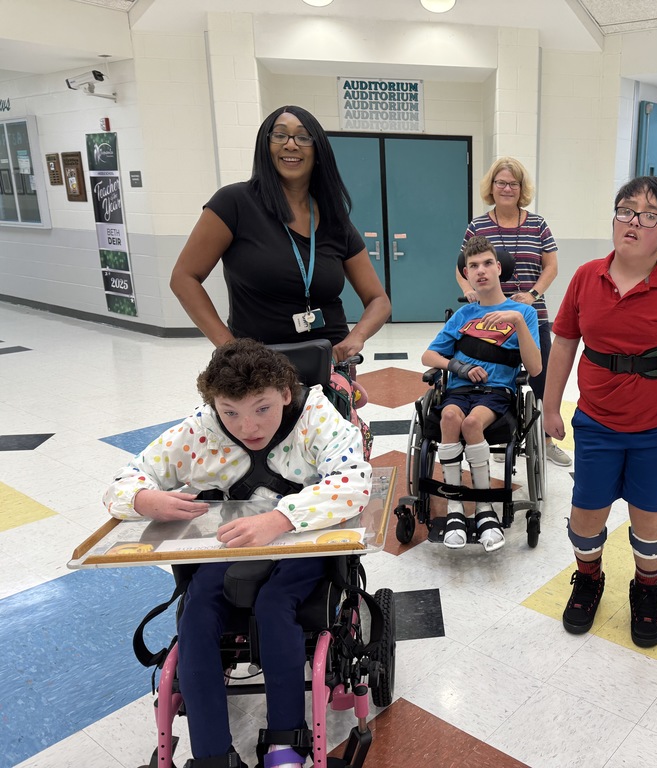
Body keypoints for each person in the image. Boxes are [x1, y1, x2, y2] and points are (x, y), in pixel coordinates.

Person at [104, 339, 372, 768]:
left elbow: (355, 481)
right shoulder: (202, 428)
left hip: (304, 542)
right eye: (231, 412)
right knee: (196, 611)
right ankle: (213, 756)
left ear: (285, 393)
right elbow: (125, 478)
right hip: (234, 542)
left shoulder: (315, 415)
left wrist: (281, 518)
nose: (248, 426)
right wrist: (143, 499)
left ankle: (285, 745)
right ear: (214, 404)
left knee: (274, 605)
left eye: (262, 408)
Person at [543, 176, 657, 649]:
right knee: (585, 514)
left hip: (656, 428)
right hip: (596, 423)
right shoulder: (586, 276)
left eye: (649, 215)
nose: (632, 222)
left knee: (649, 517)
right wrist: (550, 405)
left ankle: (646, 587)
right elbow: (564, 343)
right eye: (626, 210)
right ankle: (589, 578)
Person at [170, 105, 391, 364]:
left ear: (318, 150)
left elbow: (378, 300)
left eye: (303, 137)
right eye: (280, 135)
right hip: (258, 368)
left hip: (328, 365)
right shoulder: (234, 203)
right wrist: (230, 349)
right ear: (265, 146)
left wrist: (356, 337)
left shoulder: (334, 220)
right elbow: (184, 278)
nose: (291, 144)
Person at [424, 236, 541, 552]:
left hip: (497, 391)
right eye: (473, 266)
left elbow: (534, 367)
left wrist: (517, 321)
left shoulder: (522, 313)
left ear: (499, 268)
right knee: (449, 416)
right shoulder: (463, 316)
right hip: (460, 389)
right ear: (467, 274)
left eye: (487, 263)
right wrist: (458, 367)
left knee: (472, 423)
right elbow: (428, 356)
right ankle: (454, 507)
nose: (481, 270)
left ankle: (484, 508)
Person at [454, 156, 571, 467]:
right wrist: (468, 289)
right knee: (492, 376)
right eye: (501, 183)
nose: (507, 188)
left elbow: (551, 267)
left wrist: (532, 295)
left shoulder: (538, 224)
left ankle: (547, 440)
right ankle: (493, 433)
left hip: (532, 315)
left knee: (542, 378)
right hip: (488, 318)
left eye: (513, 184)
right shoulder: (478, 225)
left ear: (522, 188)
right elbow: (461, 267)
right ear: (491, 187)